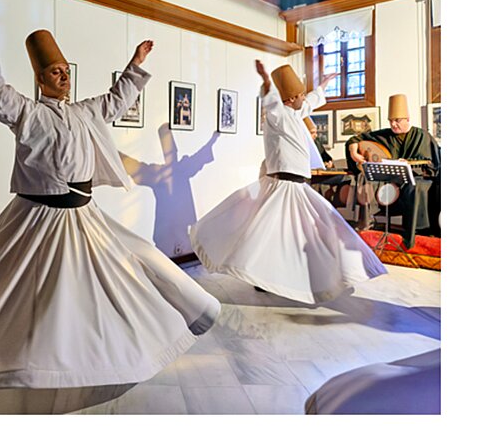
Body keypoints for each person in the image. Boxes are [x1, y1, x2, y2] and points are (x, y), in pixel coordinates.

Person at [0, 4, 221, 390]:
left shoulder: (84, 112)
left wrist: (136, 63)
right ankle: (33, 362)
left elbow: (115, 100)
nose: (64, 77)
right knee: (33, 292)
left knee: (111, 278)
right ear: (41, 79)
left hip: (82, 216)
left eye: (66, 71)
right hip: (40, 217)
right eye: (55, 72)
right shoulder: (26, 112)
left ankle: (101, 353)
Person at [189, 60, 387, 305]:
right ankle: (272, 276)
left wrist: (325, 83)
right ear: (292, 98)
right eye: (301, 94)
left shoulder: (295, 113)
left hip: (296, 186)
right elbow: (272, 101)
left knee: (310, 228)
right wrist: (266, 81)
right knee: (273, 234)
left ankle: (328, 273)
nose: (305, 98)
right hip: (283, 186)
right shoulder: (278, 115)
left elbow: (312, 101)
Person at [345, 93, 441, 249]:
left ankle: (415, 234)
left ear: (407, 119)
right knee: (366, 179)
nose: (393, 125)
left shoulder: (422, 136)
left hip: (418, 179)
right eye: (391, 121)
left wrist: (409, 164)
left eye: (397, 121)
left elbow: (432, 166)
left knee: (415, 187)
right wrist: (354, 153)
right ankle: (367, 226)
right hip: (392, 178)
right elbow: (354, 139)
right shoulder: (386, 135)